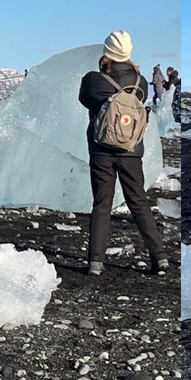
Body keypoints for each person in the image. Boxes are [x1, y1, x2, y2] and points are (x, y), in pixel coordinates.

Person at [78, 30, 167, 277]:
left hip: (101, 150)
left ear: (107, 51)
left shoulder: (94, 80)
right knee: (138, 201)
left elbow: (84, 100)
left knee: (102, 204)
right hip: (131, 149)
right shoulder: (141, 83)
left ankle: (96, 262)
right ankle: (159, 257)